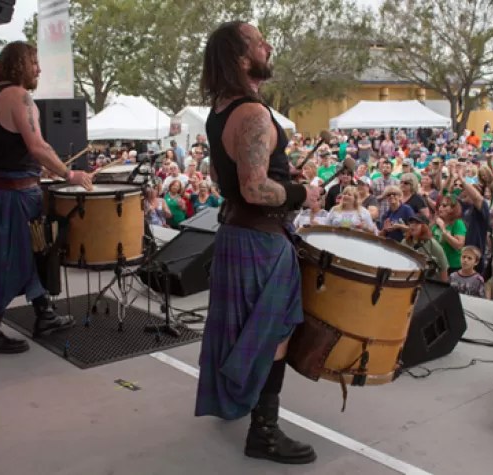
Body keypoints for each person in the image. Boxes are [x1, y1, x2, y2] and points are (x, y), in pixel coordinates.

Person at [195, 21, 319, 465]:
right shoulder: (251, 113)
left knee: (241, 328)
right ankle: (263, 432)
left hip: (236, 234)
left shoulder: (221, 109)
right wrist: (302, 193)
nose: (268, 45)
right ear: (242, 57)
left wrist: (280, 179)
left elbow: (221, 178)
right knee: (273, 332)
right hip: (260, 241)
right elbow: (254, 189)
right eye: (258, 41)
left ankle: (237, 401)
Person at [0, 42, 92, 354]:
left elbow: (14, 151)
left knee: (29, 258)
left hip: (6, 191)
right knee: (9, 261)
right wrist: (69, 174)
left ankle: (44, 315)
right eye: (34, 62)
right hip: (15, 197)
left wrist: (41, 172)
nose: (38, 68)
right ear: (20, 64)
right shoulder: (18, 96)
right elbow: (38, 146)